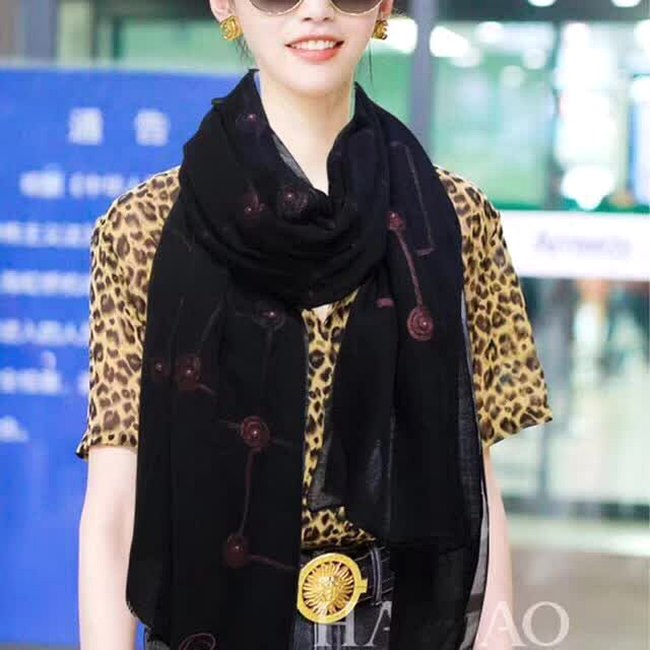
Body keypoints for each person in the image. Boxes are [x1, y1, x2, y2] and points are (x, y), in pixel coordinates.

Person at [76, 1, 553, 649]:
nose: (317, 9)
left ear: (384, 6)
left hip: (404, 625)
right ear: (225, 5)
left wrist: (498, 637)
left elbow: (475, 486)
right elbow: (115, 502)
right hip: (213, 623)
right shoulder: (145, 227)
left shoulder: (455, 220)